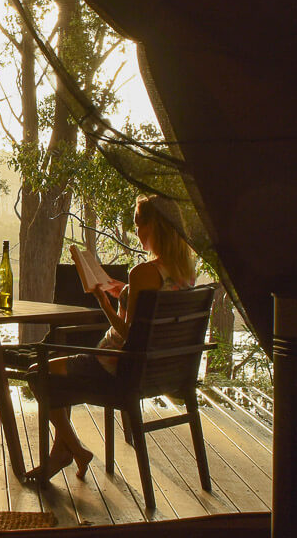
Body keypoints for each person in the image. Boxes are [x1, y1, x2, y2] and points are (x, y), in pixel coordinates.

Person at [23, 195, 197, 484]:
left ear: (153, 226)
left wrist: (103, 302)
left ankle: (75, 451)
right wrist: (125, 292)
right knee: (57, 377)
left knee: (38, 374)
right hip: (160, 369)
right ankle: (63, 450)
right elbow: (152, 313)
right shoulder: (185, 272)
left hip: (113, 367)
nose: (137, 232)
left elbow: (131, 335)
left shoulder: (143, 272)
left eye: (139, 225)